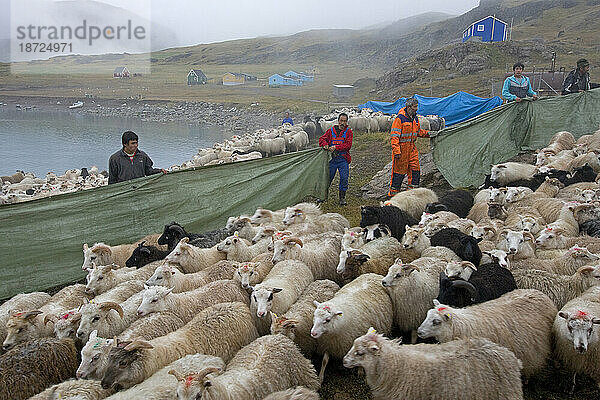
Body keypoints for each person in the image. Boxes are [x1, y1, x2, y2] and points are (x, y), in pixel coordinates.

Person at [388, 97, 430, 197]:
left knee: (415, 172)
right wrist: (397, 151)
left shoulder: (415, 118)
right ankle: (393, 197)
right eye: (415, 107)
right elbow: (394, 137)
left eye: (417, 106)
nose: (416, 109)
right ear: (409, 107)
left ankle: (411, 196)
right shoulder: (399, 119)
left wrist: (430, 134)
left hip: (412, 149)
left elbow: (418, 132)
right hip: (401, 152)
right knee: (398, 174)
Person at [319, 113, 352, 206]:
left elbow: (348, 145)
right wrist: (325, 144)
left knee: (344, 178)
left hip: (343, 159)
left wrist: (336, 147)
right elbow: (322, 139)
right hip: (332, 159)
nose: (343, 123)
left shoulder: (349, 132)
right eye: (341, 121)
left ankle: (342, 198)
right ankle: (322, 196)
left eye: (345, 121)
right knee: (328, 178)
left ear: (347, 122)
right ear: (338, 121)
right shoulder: (331, 131)